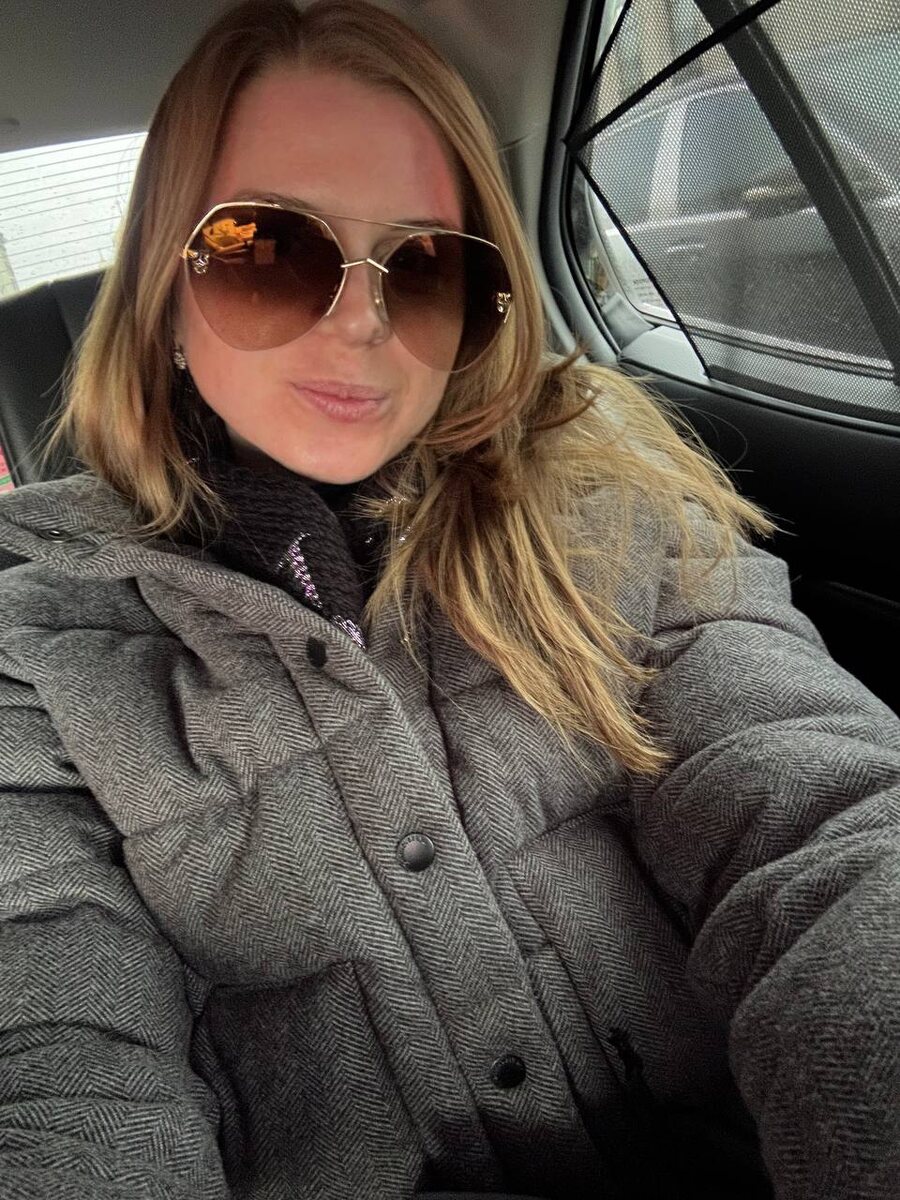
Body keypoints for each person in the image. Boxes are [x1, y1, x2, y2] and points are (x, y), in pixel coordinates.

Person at [0, 1, 898, 1197]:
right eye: (270, 252)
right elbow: (55, 1045)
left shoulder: (613, 491)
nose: (364, 322)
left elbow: (822, 812)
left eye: (425, 267)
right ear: (163, 299)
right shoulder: (38, 645)